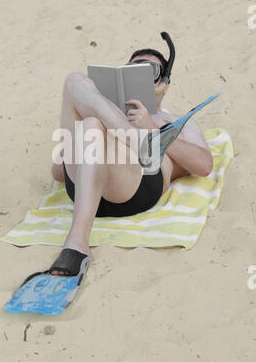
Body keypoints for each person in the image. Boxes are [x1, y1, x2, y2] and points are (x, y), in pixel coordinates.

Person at [50, 48, 213, 276]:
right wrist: (96, 123)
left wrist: (153, 129)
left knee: (92, 123)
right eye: (133, 68)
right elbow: (58, 172)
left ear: (164, 84)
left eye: (150, 70)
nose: (140, 75)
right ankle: (137, 139)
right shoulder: (100, 113)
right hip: (84, 187)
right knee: (75, 84)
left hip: (135, 187)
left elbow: (204, 165)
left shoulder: (171, 120)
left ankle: (76, 243)